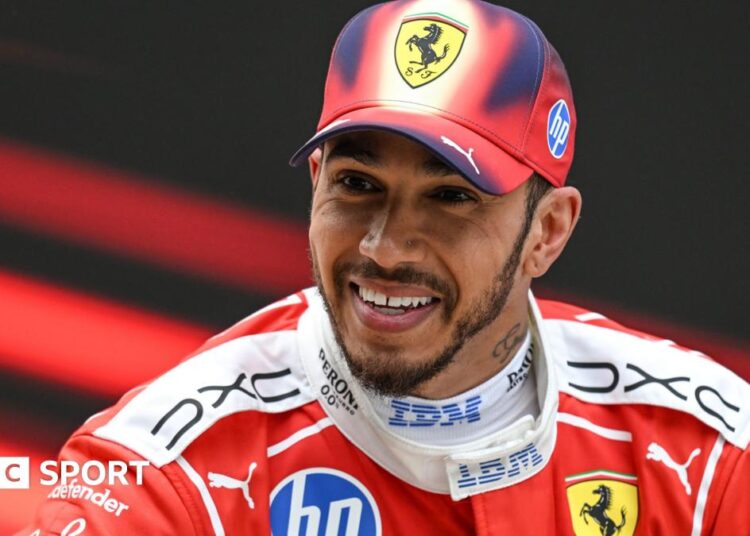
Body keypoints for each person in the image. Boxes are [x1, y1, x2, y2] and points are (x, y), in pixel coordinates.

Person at [20, 0, 748, 534]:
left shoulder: (706, 453)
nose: (386, 247)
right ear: (316, 185)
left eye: (451, 197)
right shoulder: (168, 474)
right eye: (357, 184)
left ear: (547, 231)